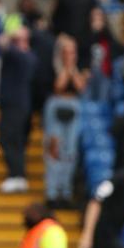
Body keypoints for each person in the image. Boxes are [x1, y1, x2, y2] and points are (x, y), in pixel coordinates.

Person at [44, 34, 87, 208]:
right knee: (54, 150)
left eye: (72, 52)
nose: (70, 55)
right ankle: (52, 193)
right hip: (56, 104)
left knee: (70, 152)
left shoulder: (80, 66)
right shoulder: (52, 65)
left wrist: (73, 69)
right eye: (66, 52)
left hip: (74, 105)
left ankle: (65, 192)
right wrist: (67, 68)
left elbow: (80, 87)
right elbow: (59, 86)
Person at [0, 27, 37, 193]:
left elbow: (1, 42)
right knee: (11, 139)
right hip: (14, 104)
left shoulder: (25, 55)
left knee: (11, 139)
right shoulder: (24, 56)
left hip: (16, 105)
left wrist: (11, 35)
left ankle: (17, 175)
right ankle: (16, 175)